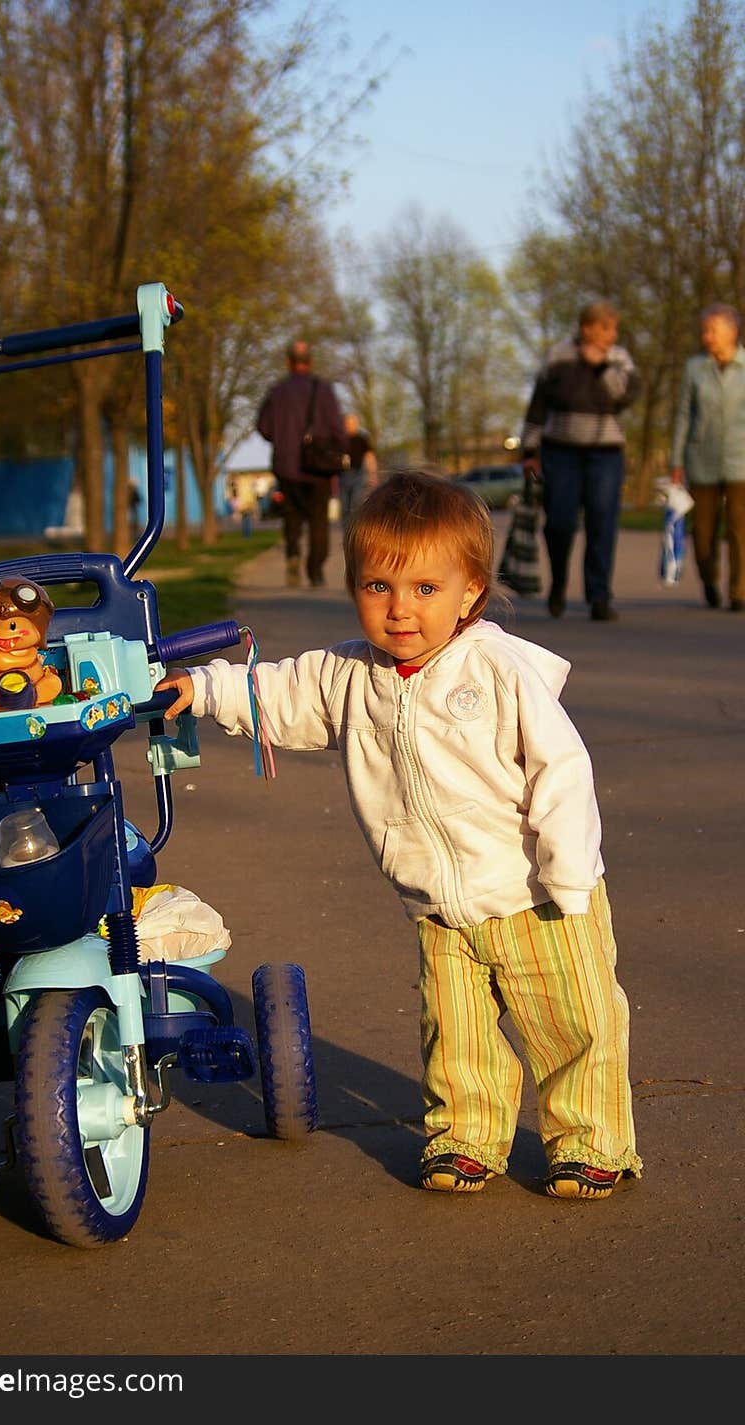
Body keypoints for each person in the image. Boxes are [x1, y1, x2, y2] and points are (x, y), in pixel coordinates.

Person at [156, 470, 642, 1201]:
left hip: (537, 893)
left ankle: (591, 1141)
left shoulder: (497, 668)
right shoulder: (351, 674)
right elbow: (277, 689)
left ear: (470, 591)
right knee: (458, 1036)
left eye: (425, 589)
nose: (400, 610)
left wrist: (568, 874)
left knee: (575, 1024)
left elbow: (562, 769)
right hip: (437, 904)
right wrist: (204, 687)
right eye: (378, 587)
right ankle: (468, 1137)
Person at [520, 300, 641, 622]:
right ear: (586, 328)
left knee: (603, 522)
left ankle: (599, 596)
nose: (611, 335)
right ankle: (559, 582)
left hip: (606, 453)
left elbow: (624, 397)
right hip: (561, 452)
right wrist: (529, 452)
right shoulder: (558, 356)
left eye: (614, 328)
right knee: (559, 522)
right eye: (605, 328)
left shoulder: (619, 359)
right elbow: (537, 406)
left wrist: (601, 367)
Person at [670, 302, 745, 611]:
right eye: (705, 330)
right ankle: (710, 579)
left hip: (740, 459)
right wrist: (676, 460)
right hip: (701, 459)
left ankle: (739, 592)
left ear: (731, 331)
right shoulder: (694, 368)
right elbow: (684, 415)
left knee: (740, 528)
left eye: (712, 330)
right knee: (702, 533)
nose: (707, 336)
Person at [256, 339, 346, 588]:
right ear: (310, 362)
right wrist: (337, 450)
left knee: (292, 516)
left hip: (287, 467)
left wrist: (282, 439)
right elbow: (338, 429)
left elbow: (262, 427)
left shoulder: (277, 392)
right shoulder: (323, 390)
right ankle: (315, 571)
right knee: (319, 520)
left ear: (288, 362)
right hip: (318, 468)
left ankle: (293, 553)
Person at [339, 412, 378, 525]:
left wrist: (373, 474)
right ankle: (346, 532)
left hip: (358, 474)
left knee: (356, 503)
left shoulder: (362, 439)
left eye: (353, 423)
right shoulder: (340, 439)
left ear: (357, 424)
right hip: (342, 475)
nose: (350, 425)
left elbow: (370, 456)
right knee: (344, 505)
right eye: (348, 423)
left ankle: (355, 529)